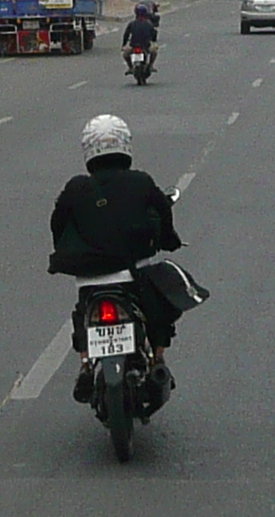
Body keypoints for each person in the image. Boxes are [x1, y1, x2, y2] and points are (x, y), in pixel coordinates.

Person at [49, 113, 191, 377]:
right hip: (131, 272)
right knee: (158, 307)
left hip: (89, 277)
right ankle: (158, 358)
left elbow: (57, 224)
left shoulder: (75, 188)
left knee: (83, 313)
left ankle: (84, 365)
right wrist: (169, 240)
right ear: (126, 145)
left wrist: (64, 253)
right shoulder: (141, 181)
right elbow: (163, 212)